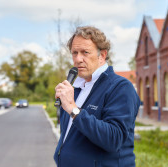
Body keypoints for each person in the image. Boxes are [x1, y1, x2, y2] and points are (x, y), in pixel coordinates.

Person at [54, 26, 140, 167]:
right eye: (74, 53)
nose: (78, 59)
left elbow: (114, 139)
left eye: (85, 52)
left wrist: (73, 109)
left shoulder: (121, 87)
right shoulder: (75, 88)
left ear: (102, 55)